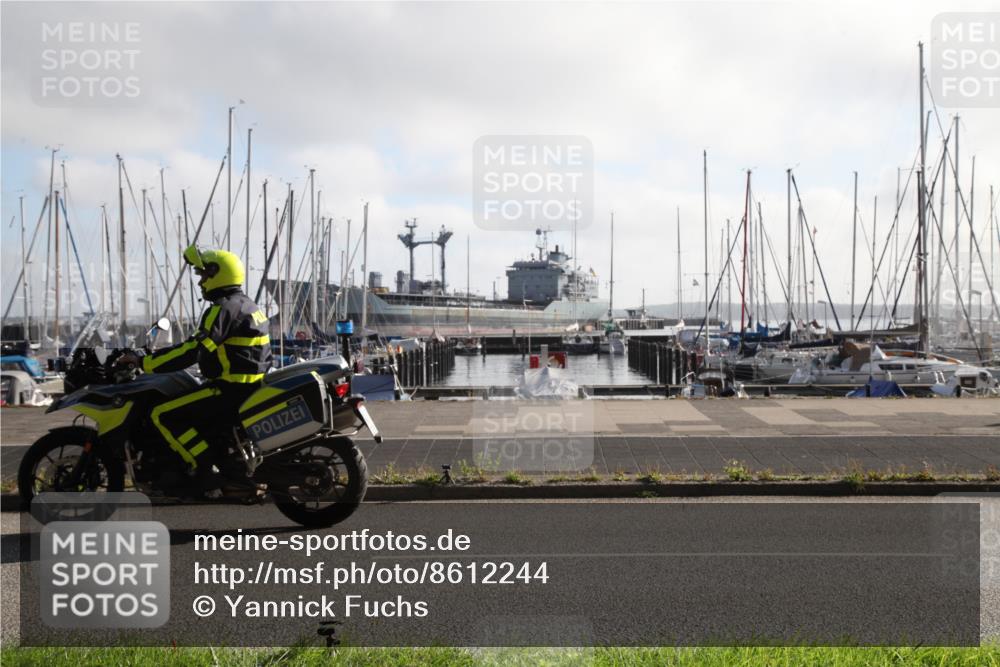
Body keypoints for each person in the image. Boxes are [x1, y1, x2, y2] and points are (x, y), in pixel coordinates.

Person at [118, 245, 272, 496]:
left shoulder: (222, 309)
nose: (200, 282)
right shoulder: (246, 305)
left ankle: (204, 469)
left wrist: (145, 362)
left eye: (203, 275)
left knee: (161, 413)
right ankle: (218, 465)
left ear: (217, 273)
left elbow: (193, 350)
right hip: (249, 386)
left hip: (230, 389)